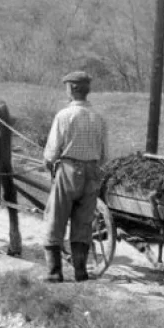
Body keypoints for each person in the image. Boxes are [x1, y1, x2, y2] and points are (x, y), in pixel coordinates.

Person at [40, 71, 109, 283]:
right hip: (92, 172)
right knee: (83, 222)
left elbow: (52, 152)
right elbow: (105, 154)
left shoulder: (64, 116)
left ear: (71, 89)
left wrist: (48, 163)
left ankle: (54, 272)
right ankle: (80, 272)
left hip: (69, 170)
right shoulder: (99, 117)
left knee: (55, 218)